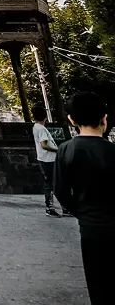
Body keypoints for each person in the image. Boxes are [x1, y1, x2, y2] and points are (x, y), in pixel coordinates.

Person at [54, 91, 115, 304]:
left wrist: (81, 212)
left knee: (97, 283)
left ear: (72, 120)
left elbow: (61, 191)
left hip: (90, 228)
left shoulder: (65, 150)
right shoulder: (112, 150)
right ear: (104, 118)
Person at [33, 108, 64, 216]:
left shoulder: (36, 127)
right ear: (45, 117)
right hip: (49, 159)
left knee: (51, 182)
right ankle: (51, 207)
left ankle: (54, 207)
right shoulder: (41, 129)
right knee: (53, 183)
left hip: (43, 158)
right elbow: (44, 145)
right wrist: (57, 149)